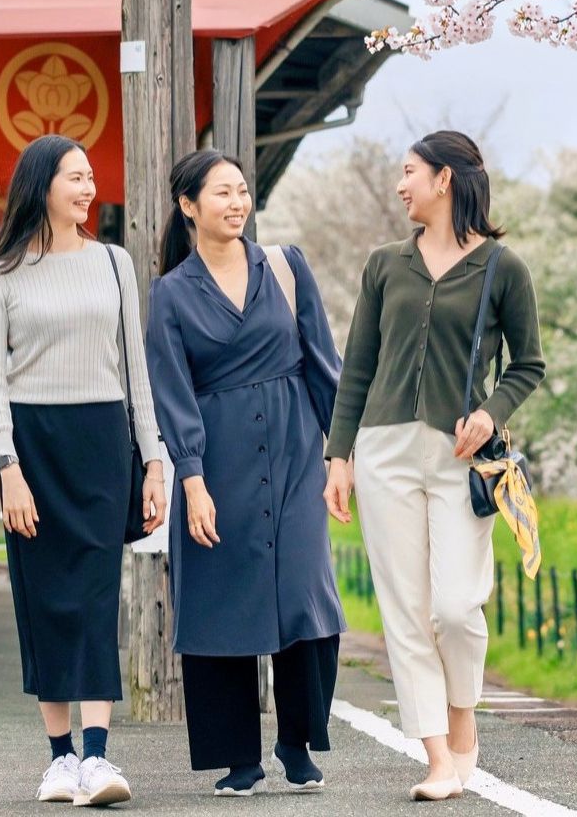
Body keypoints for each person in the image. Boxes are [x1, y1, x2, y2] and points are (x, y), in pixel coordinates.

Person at [321, 130, 546, 801]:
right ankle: (438, 759)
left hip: (461, 456)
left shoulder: (503, 269)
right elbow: (357, 366)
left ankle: (462, 719)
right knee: (407, 612)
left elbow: (528, 363)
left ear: (444, 179)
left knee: (453, 607)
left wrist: (493, 411)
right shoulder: (384, 264)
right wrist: (339, 456)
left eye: (409, 172)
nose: (400, 184)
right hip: (386, 449)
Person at [143, 150, 346, 797]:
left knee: (305, 593)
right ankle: (238, 758)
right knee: (222, 603)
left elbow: (323, 364)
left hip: (294, 453)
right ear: (188, 205)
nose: (236, 203)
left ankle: (298, 739)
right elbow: (172, 393)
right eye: (222, 193)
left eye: (242, 191)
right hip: (218, 463)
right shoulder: (172, 294)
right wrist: (192, 481)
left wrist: (340, 456)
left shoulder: (286, 268)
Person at [0, 134, 168, 807]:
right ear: (41, 186)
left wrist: (155, 461)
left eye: (90, 178)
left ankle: (98, 758)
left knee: (92, 597)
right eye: (74, 178)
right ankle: (59, 761)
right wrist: (7, 467)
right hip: (33, 445)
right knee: (43, 600)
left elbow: (136, 373)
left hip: (101, 442)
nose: (88, 189)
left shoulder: (114, 264)